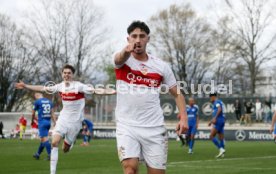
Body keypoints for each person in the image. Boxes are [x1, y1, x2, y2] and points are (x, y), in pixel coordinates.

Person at [113, 20, 188, 174]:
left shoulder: (161, 66)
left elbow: (177, 93)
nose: (138, 40)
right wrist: (126, 51)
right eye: (134, 36)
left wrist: (184, 118)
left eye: (142, 36)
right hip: (127, 126)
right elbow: (119, 58)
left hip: (154, 128)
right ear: (128, 39)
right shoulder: (121, 60)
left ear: (148, 39)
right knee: (130, 169)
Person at [15, 64, 114, 174]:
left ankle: (69, 143)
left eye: (69, 73)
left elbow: (95, 90)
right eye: (65, 73)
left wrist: (111, 91)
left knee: (65, 150)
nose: (66, 75)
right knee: (54, 142)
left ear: (72, 75)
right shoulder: (60, 86)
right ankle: (52, 172)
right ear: (62, 74)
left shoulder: (79, 86)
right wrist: (25, 86)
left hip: (76, 122)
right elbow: (43, 88)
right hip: (63, 119)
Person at [32, 92, 56, 160]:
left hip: (42, 122)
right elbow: (52, 113)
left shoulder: (37, 102)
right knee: (43, 139)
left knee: (45, 139)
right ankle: (38, 154)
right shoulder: (49, 101)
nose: (35, 97)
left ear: (37, 95)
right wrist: (55, 122)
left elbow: (33, 113)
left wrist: (32, 120)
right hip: (48, 122)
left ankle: (50, 155)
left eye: (35, 96)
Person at [208, 92, 226, 158]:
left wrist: (215, 118)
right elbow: (217, 112)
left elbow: (219, 109)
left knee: (211, 136)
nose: (210, 99)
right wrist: (211, 121)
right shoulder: (218, 102)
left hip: (219, 121)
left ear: (213, 97)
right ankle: (222, 153)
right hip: (221, 120)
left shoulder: (217, 102)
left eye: (210, 97)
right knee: (221, 137)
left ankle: (221, 149)